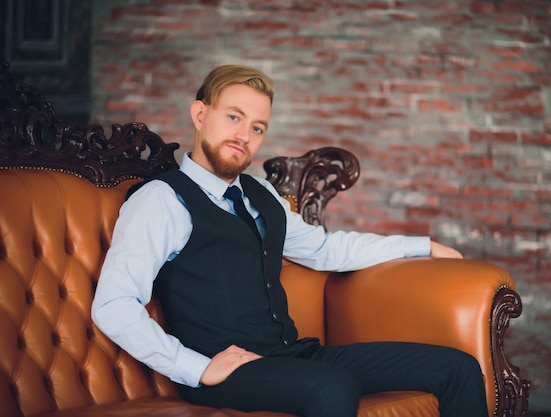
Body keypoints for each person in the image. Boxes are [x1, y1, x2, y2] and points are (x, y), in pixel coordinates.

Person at [92, 64, 488, 417]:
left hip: (292, 354)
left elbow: (324, 249)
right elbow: (113, 304)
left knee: (457, 368)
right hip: (226, 370)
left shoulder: (260, 193)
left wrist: (420, 246)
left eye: (257, 127)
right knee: (334, 386)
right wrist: (196, 367)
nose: (243, 135)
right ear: (200, 114)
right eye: (234, 116)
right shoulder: (161, 199)